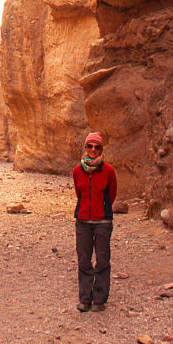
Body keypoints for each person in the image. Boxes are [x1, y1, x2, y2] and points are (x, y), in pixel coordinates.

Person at [72, 132, 117, 312]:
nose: (93, 150)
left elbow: (111, 194)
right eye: (90, 146)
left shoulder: (108, 171)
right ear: (85, 147)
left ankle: (99, 300)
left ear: (101, 149)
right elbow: (79, 193)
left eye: (96, 147)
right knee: (84, 260)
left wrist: (102, 210)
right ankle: (85, 300)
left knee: (103, 260)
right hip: (83, 221)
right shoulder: (77, 171)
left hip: (102, 222)